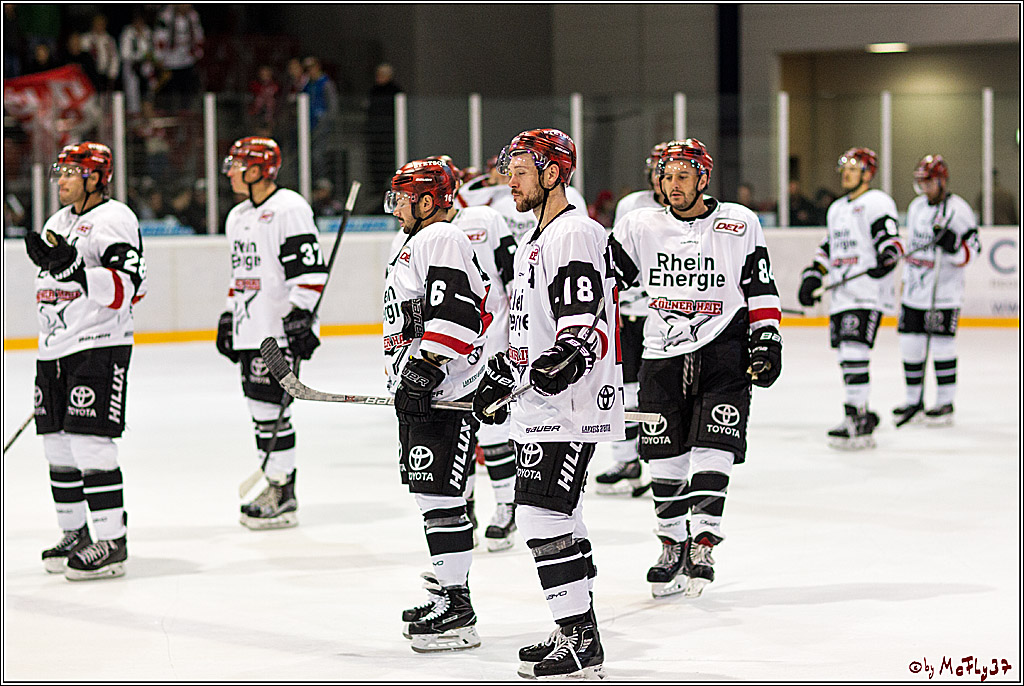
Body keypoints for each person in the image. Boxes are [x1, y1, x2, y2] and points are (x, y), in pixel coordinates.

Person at [473, 128, 624, 679]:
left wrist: (569, 354)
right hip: (540, 403)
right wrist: (499, 377)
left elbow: (579, 315)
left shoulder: (574, 232)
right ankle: (574, 631)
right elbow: (527, 328)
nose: (510, 181)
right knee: (563, 515)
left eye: (520, 171)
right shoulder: (537, 238)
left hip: (569, 405)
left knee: (539, 515)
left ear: (554, 173)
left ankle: (581, 641)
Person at [610, 138, 783, 600]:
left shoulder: (738, 222)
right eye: (666, 176)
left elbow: (760, 284)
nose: (672, 184)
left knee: (713, 446)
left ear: (703, 179)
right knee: (664, 459)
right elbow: (603, 282)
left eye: (682, 176)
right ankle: (672, 543)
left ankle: (704, 541)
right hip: (661, 354)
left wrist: (767, 338)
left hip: (724, 350)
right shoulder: (639, 225)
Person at [24, 142, 147, 580]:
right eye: (60, 172)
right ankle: (74, 532)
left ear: (96, 178)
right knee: (56, 444)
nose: (62, 179)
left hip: (99, 343)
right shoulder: (57, 221)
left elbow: (129, 287)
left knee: (90, 443)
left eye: (71, 172)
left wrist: (75, 270)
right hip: (54, 347)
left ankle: (112, 540)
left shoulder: (116, 220)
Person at [382, 159, 488, 652]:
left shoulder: (440, 238)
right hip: (427, 389)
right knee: (433, 497)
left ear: (427, 201)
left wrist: (425, 370)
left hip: (445, 393)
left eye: (403, 198)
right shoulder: (417, 241)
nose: (396, 206)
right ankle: (451, 596)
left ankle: (458, 610)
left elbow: (460, 315)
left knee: (443, 496)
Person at [216, 136, 327, 530]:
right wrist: (230, 315)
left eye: (237, 164)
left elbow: (311, 270)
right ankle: (277, 485)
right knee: (259, 411)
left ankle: (283, 491)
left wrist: (300, 315)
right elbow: (241, 274)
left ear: (260, 170)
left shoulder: (289, 208)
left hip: (277, 331)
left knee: (270, 410)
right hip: (251, 328)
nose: (229, 171)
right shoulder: (237, 216)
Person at [420, 155, 520, 552]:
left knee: (494, 430)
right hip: (448, 355)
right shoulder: (415, 234)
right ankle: (467, 507)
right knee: (459, 434)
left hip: (492, 345)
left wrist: (520, 338)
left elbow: (515, 277)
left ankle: (507, 507)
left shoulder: (484, 219)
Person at [797, 147, 902, 449]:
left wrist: (888, 253)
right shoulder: (836, 208)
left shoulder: (877, 201)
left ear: (868, 174)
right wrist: (814, 274)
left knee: (855, 350)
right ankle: (863, 412)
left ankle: (856, 417)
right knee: (845, 354)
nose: (846, 173)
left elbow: (889, 236)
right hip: (842, 293)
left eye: (854, 168)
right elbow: (830, 246)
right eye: (844, 168)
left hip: (867, 291)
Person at [594, 141, 667, 496]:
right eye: (657, 170)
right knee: (622, 388)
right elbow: (617, 255)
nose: (661, 177)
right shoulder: (631, 205)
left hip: (662, 316)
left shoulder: (685, 213)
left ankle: (660, 460)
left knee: (657, 389)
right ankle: (626, 459)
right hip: (627, 313)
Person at [895, 155, 981, 426]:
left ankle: (945, 402)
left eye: (928, 182)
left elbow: (974, 250)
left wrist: (954, 244)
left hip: (943, 293)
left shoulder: (959, 210)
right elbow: (912, 246)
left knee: (943, 346)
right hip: (915, 291)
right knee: (911, 345)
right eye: (920, 181)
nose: (923, 187)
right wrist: (905, 281)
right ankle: (913, 401)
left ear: (942, 181)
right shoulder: (916, 207)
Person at [365, 63, 403, 207]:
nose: (378, 78)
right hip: (375, 134)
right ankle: (378, 188)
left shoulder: (395, 91)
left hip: (389, 135)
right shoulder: (373, 91)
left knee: (388, 162)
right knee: (375, 162)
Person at [118, 10, 154, 114]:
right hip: (132, 67)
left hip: (146, 67)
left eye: (141, 22)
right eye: (137, 22)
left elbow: (151, 49)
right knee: (132, 94)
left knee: (148, 93)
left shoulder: (148, 32)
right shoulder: (127, 33)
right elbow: (125, 54)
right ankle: (134, 114)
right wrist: (140, 56)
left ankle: (148, 113)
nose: (139, 24)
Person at [80, 13, 119, 93]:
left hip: (105, 74)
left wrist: (112, 74)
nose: (99, 26)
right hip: (89, 75)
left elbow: (114, 58)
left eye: (102, 24)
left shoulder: (109, 40)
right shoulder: (85, 39)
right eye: (97, 24)